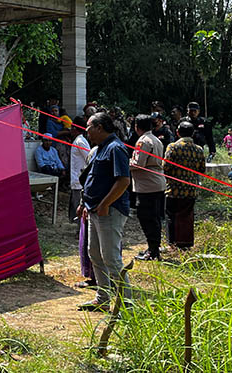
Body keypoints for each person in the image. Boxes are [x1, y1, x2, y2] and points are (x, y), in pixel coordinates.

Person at [76, 112, 131, 312]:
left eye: (89, 128)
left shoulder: (116, 148)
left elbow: (123, 181)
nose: (86, 132)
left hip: (110, 211)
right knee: (94, 254)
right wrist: (84, 202)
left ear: (99, 127)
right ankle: (102, 298)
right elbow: (91, 178)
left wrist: (106, 203)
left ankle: (126, 303)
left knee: (111, 257)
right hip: (94, 210)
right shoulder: (100, 149)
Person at [163, 121, 206, 250]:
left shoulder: (173, 147)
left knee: (172, 217)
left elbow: (166, 166)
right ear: (193, 133)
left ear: (177, 132)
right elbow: (202, 169)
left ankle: (173, 243)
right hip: (191, 190)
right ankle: (186, 244)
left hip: (174, 189)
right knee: (187, 217)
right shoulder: (199, 149)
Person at [130, 114, 167, 261]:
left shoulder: (143, 141)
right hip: (157, 183)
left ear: (137, 127)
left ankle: (153, 250)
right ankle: (153, 248)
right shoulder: (156, 139)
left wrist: (123, 163)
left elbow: (138, 164)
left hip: (147, 186)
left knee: (147, 218)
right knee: (155, 218)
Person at [69, 116, 96, 288]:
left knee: (81, 213)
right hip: (76, 181)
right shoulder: (79, 140)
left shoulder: (81, 141)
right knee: (75, 209)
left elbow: (89, 159)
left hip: (81, 183)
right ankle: (81, 233)